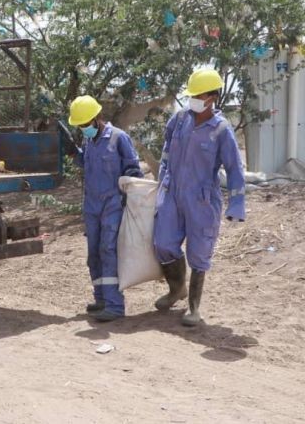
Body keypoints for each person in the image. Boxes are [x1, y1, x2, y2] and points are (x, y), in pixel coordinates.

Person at [153, 69, 245, 326]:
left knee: (199, 252)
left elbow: (235, 169)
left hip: (201, 199)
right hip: (172, 194)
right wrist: (162, 181)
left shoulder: (221, 130)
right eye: (191, 94)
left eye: (198, 95)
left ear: (212, 97)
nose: (193, 99)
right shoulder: (179, 119)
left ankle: (193, 308)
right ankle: (176, 290)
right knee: (163, 243)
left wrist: (236, 204)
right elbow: (166, 152)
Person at [68, 95, 143, 322]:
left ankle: (114, 305)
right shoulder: (88, 142)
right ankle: (100, 298)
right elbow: (87, 164)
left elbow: (133, 170)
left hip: (113, 204)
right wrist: (74, 154)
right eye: (79, 126)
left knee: (108, 251)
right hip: (91, 205)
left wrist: (127, 196)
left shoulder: (119, 138)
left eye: (85, 124)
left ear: (97, 118)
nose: (83, 129)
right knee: (94, 254)